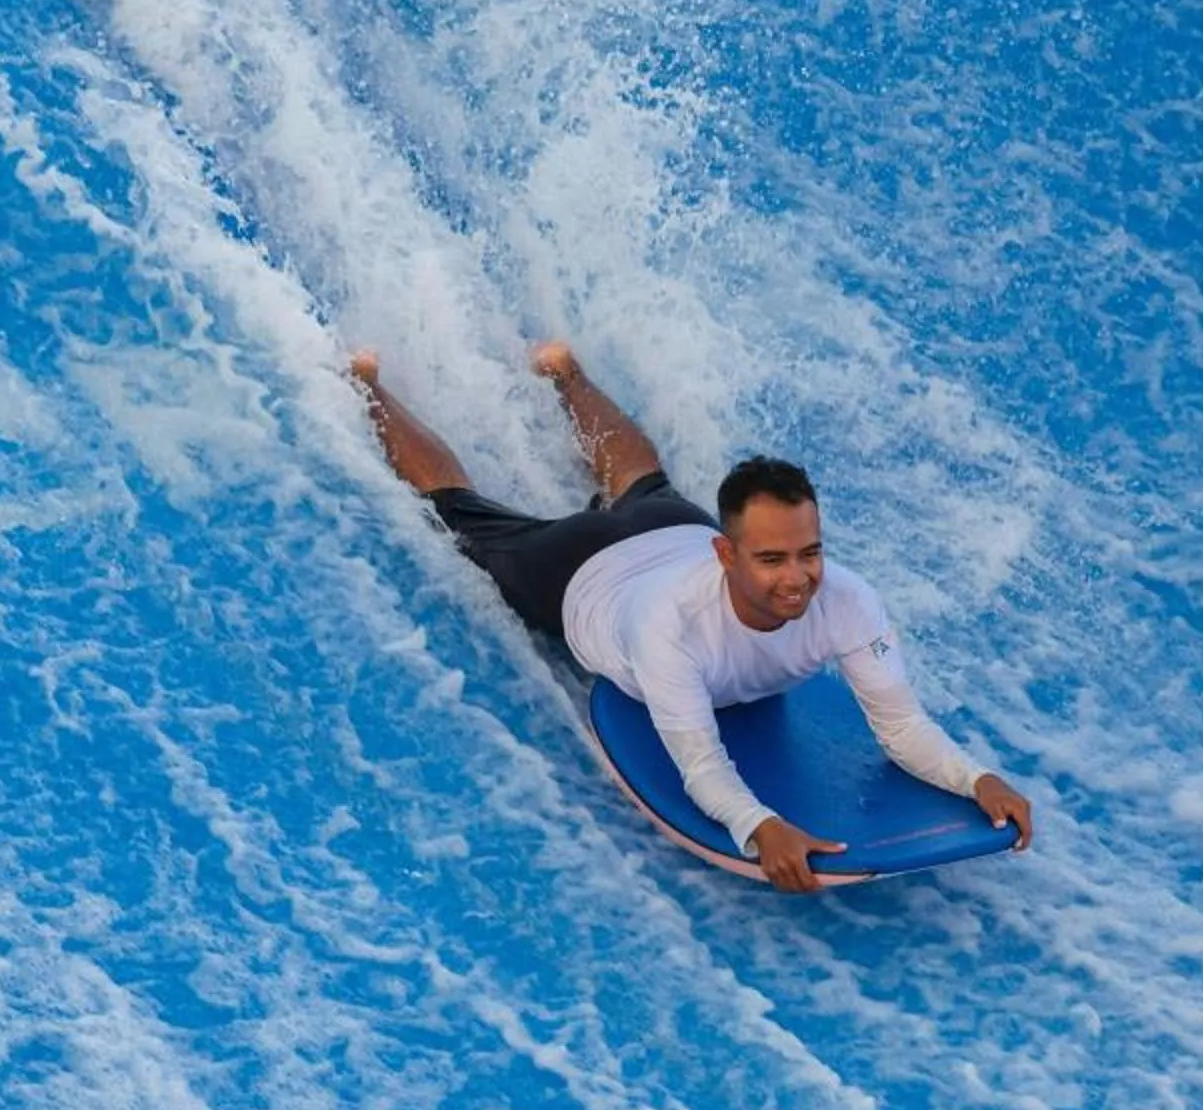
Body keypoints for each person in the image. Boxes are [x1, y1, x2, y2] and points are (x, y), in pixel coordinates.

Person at [349, 340, 1034, 892]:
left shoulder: (848, 599)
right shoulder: (668, 626)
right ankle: (370, 388)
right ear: (727, 555)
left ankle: (564, 372)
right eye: (771, 560)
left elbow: (901, 725)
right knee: (464, 514)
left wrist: (977, 778)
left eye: (809, 552)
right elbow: (699, 763)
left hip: (669, 530)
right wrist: (760, 824)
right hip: (583, 574)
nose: (797, 578)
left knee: (645, 484)